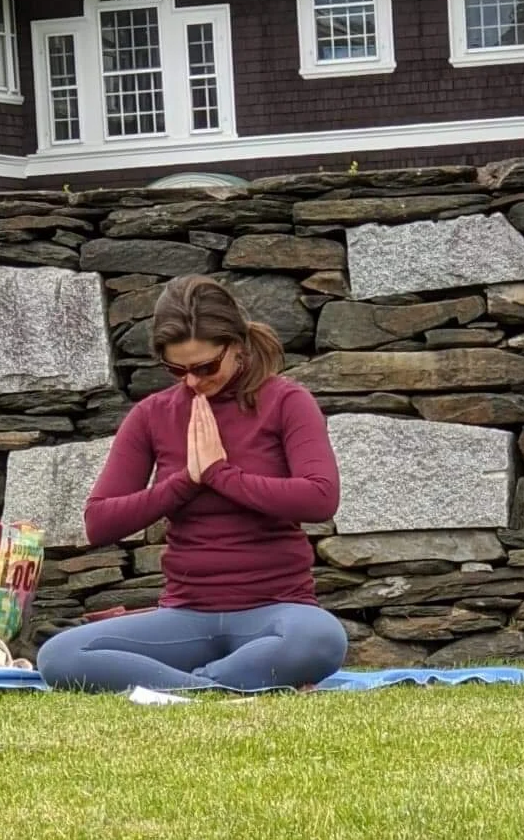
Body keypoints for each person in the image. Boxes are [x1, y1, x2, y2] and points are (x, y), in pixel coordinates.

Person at [36, 274, 349, 694]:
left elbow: (320, 496)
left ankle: (193, 687)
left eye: (205, 367)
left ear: (237, 346)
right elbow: (99, 520)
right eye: (176, 369)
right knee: (59, 657)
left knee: (322, 639)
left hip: (277, 614)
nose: (192, 381)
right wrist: (185, 481)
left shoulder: (286, 401)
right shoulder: (153, 414)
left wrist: (221, 474)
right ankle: (217, 688)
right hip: (186, 617)